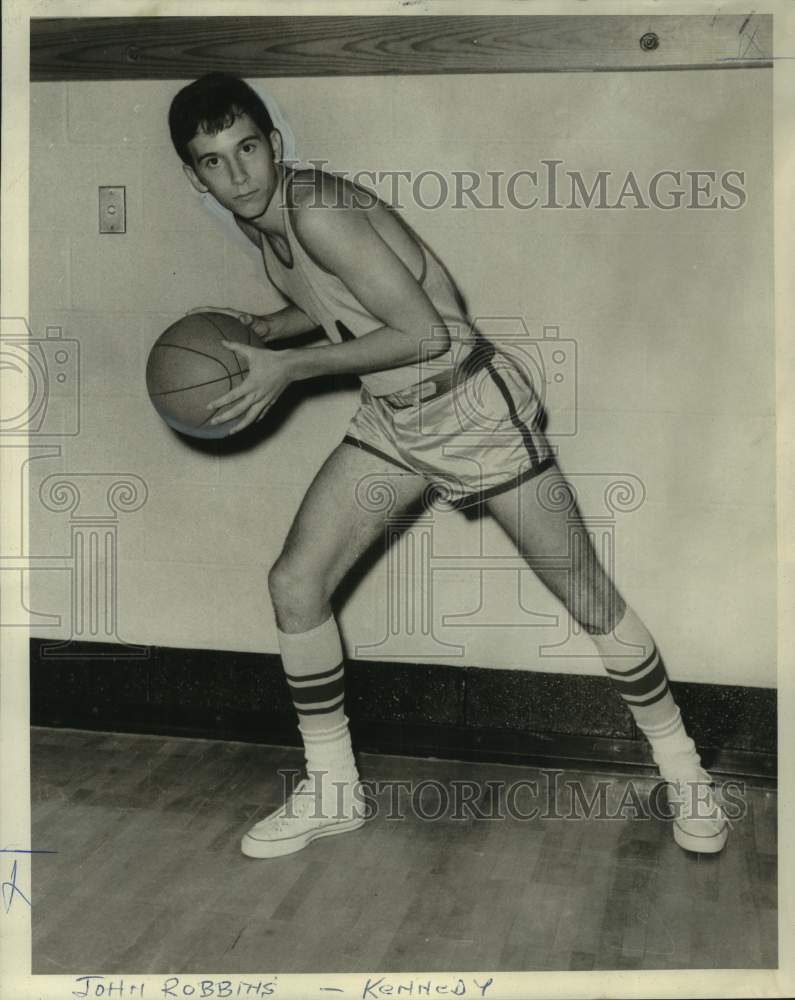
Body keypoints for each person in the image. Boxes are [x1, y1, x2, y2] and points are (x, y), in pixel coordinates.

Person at [168, 72, 728, 859]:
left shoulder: (317, 208)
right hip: (394, 420)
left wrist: (287, 370)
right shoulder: (266, 226)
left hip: (468, 404)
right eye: (215, 161)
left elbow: (425, 334)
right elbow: (349, 299)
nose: (239, 174)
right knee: (295, 581)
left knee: (587, 596)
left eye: (249, 148)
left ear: (274, 143)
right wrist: (271, 326)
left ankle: (686, 774)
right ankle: (334, 789)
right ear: (195, 176)